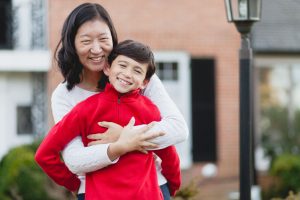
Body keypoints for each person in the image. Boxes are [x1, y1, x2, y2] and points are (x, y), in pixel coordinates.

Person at [44, 2, 188, 200]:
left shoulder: (138, 78)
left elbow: (178, 128)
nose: (96, 49)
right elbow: (74, 159)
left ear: (112, 38)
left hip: (151, 188)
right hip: (96, 192)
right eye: (86, 41)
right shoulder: (65, 96)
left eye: (103, 39)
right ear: (72, 44)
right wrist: (120, 146)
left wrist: (126, 135)